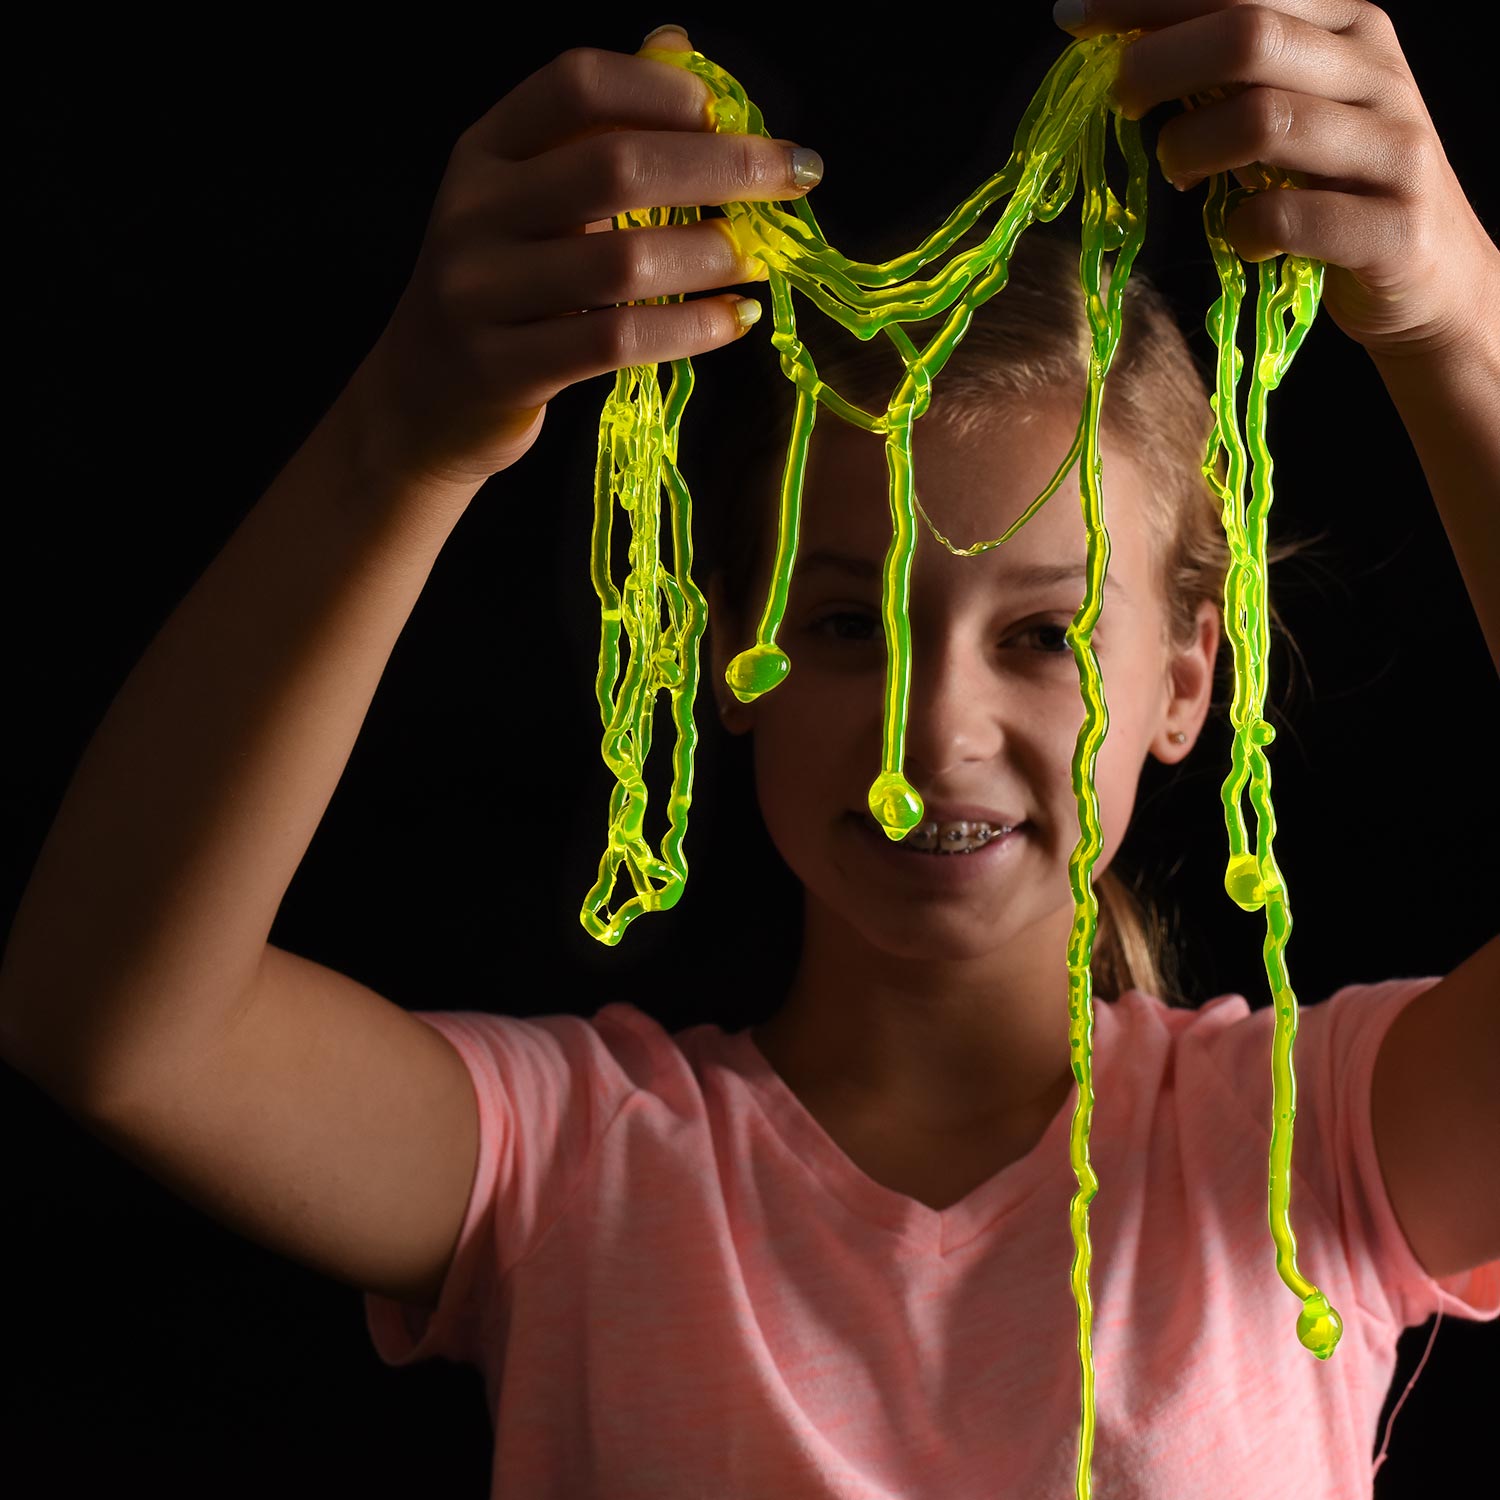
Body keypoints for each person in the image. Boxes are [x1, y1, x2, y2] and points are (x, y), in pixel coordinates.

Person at [1, 6, 1495, 1497]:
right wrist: (406, 430)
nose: (935, 736)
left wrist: (1455, 314)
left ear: (1186, 685)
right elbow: (121, 1027)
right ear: (727, 655)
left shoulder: (1313, 1150)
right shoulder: (584, 1166)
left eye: (1042, 637)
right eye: (846, 625)